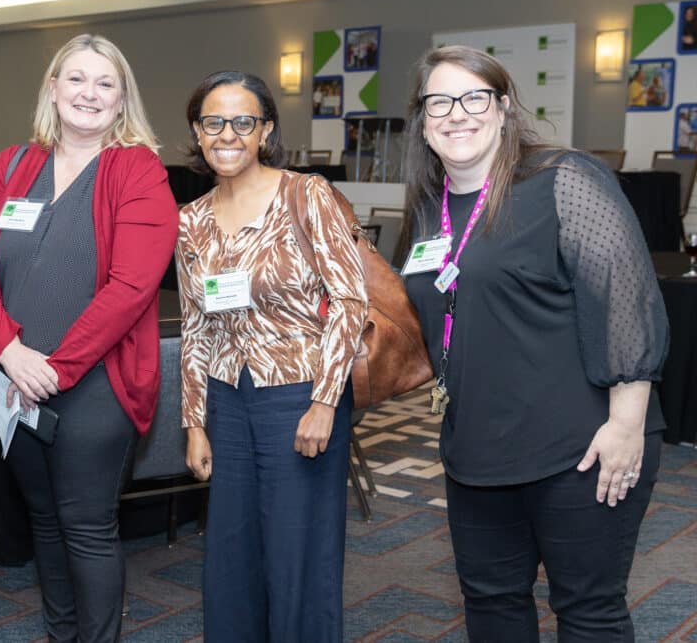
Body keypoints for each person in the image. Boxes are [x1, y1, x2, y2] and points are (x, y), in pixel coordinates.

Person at [400, 45, 668, 641]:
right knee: (491, 606)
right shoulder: (426, 206)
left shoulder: (562, 179)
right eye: (438, 101)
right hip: (476, 447)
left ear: (503, 108)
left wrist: (626, 425)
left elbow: (628, 303)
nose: (456, 113)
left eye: (474, 98)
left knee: (588, 611)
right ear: (422, 119)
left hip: (583, 444)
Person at [0, 33, 177, 643]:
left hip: (96, 383)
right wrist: (10, 354)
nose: (89, 93)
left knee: (85, 526)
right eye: (76, 79)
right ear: (53, 89)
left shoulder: (138, 169)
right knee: (45, 522)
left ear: (121, 98)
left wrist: (55, 368)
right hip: (14, 377)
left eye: (106, 83)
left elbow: (132, 287)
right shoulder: (11, 165)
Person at [177, 70, 368, 642]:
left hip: (300, 397)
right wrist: (194, 423)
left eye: (243, 121)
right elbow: (194, 326)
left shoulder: (307, 194)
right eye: (215, 122)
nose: (227, 134)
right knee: (231, 558)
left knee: (297, 555)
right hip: (227, 402)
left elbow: (350, 302)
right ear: (198, 130)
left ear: (264, 131)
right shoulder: (191, 220)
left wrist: (325, 403)